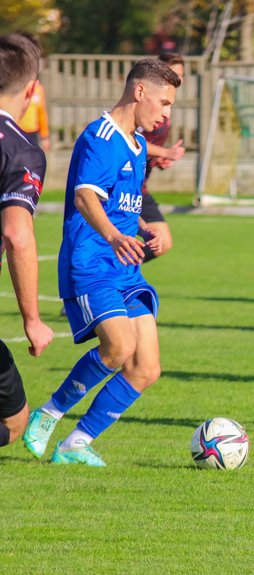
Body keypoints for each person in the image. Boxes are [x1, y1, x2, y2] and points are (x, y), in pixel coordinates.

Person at [22, 58, 179, 466]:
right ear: (139, 91)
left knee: (147, 367)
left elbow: (121, 204)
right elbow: (84, 197)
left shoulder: (139, 145)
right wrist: (114, 235)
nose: (166, 114)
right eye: (163, 103)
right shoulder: (99, 136)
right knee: (120, 346)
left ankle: (76, 444)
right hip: (91, 261)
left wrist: (145, 228)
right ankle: (49, 414)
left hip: (126, 267)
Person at [0, 33, 55, 450]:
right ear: (33, 90)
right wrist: (33, 321)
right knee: (15, 421)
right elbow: (18, 234)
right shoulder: (21, 151)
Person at [139, 52, 186, 262]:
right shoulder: (145, 107)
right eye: (174, 72)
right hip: (125, 187)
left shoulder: (165, 106)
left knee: (162, 242)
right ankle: (105, 278)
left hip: (141, 187)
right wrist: (165, 152)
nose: (180, 78)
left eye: (182, 74)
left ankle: (113, 276)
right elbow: (130, 141)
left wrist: (158, 160)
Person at [18, 78, 50, 152]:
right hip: (15, 130)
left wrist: (45, 136)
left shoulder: (38, 89)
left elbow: (41, 112)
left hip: (32, 133)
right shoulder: (15, 87)